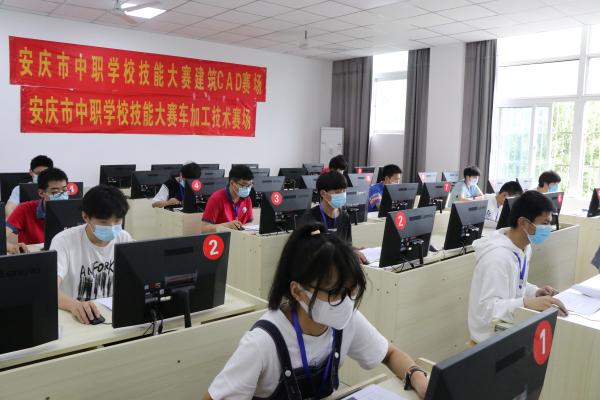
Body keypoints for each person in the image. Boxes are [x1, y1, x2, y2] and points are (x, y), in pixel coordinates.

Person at [203, 223, 429, 400]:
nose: (345, 301)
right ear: (298, 291)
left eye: (351, 290)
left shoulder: (346, 321)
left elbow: (389, 354)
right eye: (334, 292)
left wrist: (417, 377)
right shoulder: (262, 343)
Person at [468, 190, 568, 344]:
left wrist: (535, 292)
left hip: (508, 328)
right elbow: (488, 309)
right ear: (523, 223)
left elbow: (515, 284)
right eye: (545, 223)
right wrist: (526, 303)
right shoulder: (497, 257)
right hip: (489, 339)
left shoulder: (524, 247)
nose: (549, 228)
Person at [50, 185, 133, 325]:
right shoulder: (64, 241)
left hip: (110, 314)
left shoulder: (123, 238)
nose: (112, 227)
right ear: (85, 217)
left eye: (117, 221)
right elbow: (49, 289)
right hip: (76, 317)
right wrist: (73, 305)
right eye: (104, 222)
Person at [298, 171, 367, 264]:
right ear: (323, 193)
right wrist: (347, 253)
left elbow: (346, 245)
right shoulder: (310, 218)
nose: (342, 195)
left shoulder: (345, 216)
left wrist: (354, 250)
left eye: (344, 191)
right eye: (338, 192)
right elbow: (314, 251)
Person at [5, 167, 69, 247]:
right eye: (55, 192)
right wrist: (9, 246)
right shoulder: (24, 209)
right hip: (34, 253)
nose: (62, 195)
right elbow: (2, 237)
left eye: (65, 190)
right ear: (41, 193)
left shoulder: (73, 209)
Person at [200, 165, 254, 232]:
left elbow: (250, 222)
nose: (247, 188)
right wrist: (226, 226)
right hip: (222, 237)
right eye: (243, 185)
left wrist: (245, 227)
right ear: (232, 183)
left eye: (250, 185)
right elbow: (204, 229)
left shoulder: (247, 199)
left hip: (240, 236)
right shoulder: (216, 198)